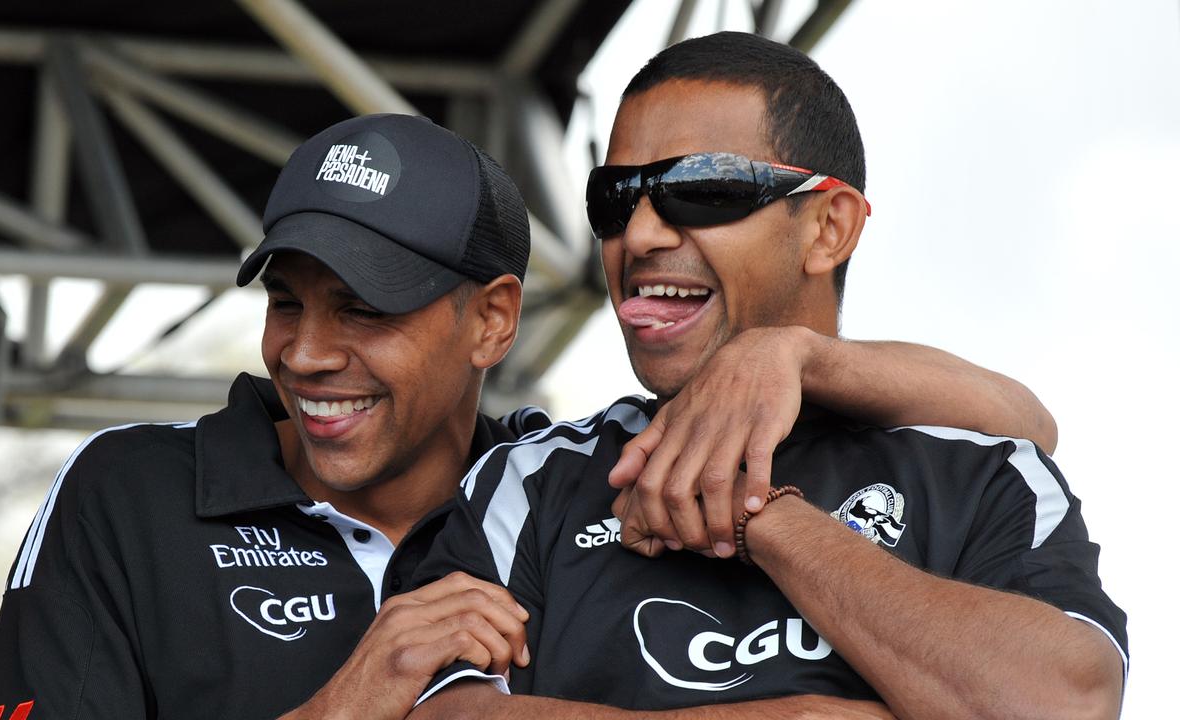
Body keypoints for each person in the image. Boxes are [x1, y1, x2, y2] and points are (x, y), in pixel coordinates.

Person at [0, 113, 1058, 720]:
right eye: (286, 302)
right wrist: (353, 698)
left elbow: (1022, 425)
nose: (306, 353)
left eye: (364, 308)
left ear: (493, 321)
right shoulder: (131, 490)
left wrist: (794, 354)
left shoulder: (552, 482)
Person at [410, 32, 1127, 720]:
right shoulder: (533, 479)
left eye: (704, 189)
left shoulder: (982, 471)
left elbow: (1064, 703)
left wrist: (767, 522)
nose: (644, 233)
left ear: (828, 228)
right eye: (615, 200)